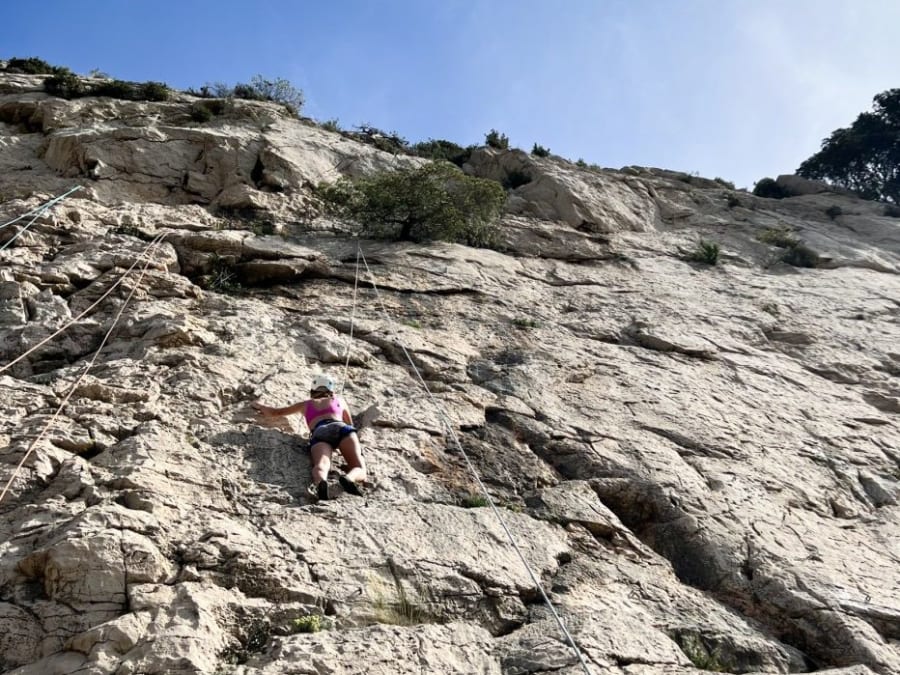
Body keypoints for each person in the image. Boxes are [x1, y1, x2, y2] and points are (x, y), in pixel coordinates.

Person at [251, 374, 366, 500]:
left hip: (320, 431)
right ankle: (349, 478)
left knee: (321, 465)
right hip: (341, 428)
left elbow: (276, 412)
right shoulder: (340, 400)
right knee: (359, 467)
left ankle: (321, 482)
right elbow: (350, 424)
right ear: (331, 390)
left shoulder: (305, 405)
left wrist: (260, 406)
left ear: (312, 391)